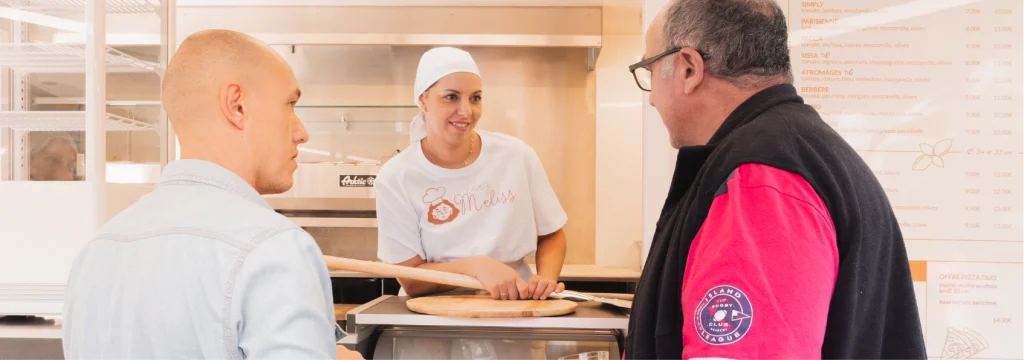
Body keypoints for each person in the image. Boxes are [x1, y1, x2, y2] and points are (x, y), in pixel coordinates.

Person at [623, 1, 926, 359]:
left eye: (650, 69)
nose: (652, 100)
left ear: (689, 68)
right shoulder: (799, 151)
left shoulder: (761, 180)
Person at [62, 29, 362, 360]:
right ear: (236, 106)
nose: (301, 133)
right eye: (290, 103)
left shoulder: (96, 252)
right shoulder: (274, 248)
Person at [375, 47, 568, 301]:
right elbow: (411, 280)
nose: (466, 111)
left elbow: (552, 234)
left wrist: (546, 279)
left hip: (513, 308)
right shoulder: (396, 177)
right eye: (451, 97)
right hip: (434, 320)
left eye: (475, 98)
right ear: (423, 100)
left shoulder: (516, 156)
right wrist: (478, 267)